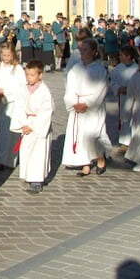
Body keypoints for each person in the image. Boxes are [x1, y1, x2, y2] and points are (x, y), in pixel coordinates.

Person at [60, 38, 111, 176]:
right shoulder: (76, 68)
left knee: (93, 134)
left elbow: (101, 88)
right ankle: (85, 164)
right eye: (81, 50)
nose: (82, 52)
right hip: (77, 106)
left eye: (86, 50)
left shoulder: (100, 69)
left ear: (94, 52)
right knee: (79, 135)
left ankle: (100, 159)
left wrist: (87, 103)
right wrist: (73, 103)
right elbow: (69, 87)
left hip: (93, 107)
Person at [9, 59, 53, 194]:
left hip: (38, 125)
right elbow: (19, 106)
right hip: (26, 121)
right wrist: (23, 123)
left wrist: (33, 125)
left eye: (32, 75)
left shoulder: (44, 91)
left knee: (38, 153)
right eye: (27, 74)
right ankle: (28, 175)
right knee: (26, 151)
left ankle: (37, 180)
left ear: (40, 75)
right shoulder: (23, 89)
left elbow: (46, 112)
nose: (29, 78)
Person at [0, 43, 25, 171]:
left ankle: (12, 158)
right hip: (1, 102)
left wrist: (7, 92)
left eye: (8, 55)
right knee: (2, 132)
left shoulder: (18, 69)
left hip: (14, 103)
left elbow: (21, 87)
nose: (6, 58)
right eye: (4, 55)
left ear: (13, 54)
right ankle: (1, 158)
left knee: (12, 132)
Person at [110, 46, 139, 148]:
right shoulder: (117, 69)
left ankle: (135, 140)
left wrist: (131, 89)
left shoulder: (137, 69)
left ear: (128, 56)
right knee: (124, 119)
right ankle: (125, 141)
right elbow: (112, 82)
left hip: (135, 99)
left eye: (121, 55)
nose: (119, 57)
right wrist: (118, 88)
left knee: (134, 119)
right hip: (123, 98)